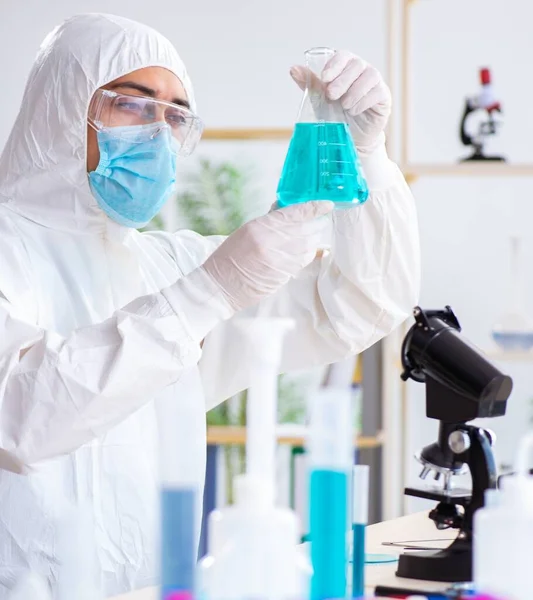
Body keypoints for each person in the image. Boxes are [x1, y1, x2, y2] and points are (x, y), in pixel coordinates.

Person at [0, 12, 420, 599]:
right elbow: (20, 416)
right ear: (63, 107)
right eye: (135, 104)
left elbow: (362, 304)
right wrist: (208, 294)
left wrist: (367, 155)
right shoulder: (16, 254)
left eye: (175, 116)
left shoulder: (165, 267)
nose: (158, 134)